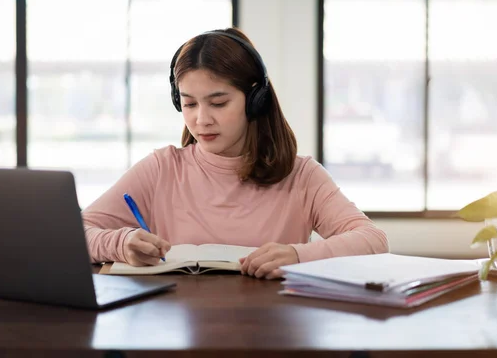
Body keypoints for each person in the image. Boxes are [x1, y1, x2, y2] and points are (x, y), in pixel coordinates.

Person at [82, 27, 389, 280]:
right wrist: (120, 243)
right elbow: (76, 232)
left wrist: (298, 255)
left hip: (272, 331)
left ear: (255, 100)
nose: (201, 119)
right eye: (189, 104)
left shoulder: (302, 176)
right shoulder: (161, 169)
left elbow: (374, 240)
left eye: (218, 103)